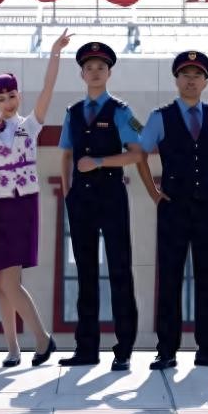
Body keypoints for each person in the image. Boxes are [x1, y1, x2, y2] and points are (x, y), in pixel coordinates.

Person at [0, 29, 73, 367]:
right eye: (1, 98)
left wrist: (55, 52)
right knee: (2, 281)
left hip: (23, 205)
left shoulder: (30, 125)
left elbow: (48, 89)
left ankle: (42, 338)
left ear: (19, 95)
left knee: (10, 280)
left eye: (12, 95)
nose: (8, 102)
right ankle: (13, 348)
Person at [137, 50, 208, 370]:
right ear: (176, 80)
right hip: (173, 206)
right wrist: (154, 193)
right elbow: (140, 154)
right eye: (185, 75)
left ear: (205, 82)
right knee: (170, 277)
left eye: (197, 75)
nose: (191, 80)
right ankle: (166, 350)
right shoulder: (160, 116)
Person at [57, 42, 142, 371]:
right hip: (81, 199)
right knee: (85, 272)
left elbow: (136, 153)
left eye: (101, 68)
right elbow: (66, 154)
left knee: (119, 270)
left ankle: (124, 348)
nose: (95, 72)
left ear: (109, 73)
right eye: (89, 68)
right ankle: (86, 348)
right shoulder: (72, 112)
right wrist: (68, 193)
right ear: (82, 74)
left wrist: (100, 162)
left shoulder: (121, 111)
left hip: (111, 195)